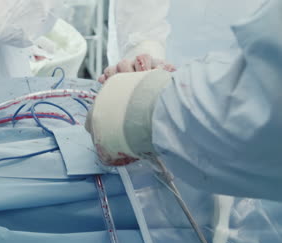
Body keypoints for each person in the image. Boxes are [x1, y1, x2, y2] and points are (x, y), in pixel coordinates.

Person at [86, 0, 282, 201]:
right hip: (172, 74)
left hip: (229, 114)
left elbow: (268, 105)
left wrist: (149, 107)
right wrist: (144, 53)